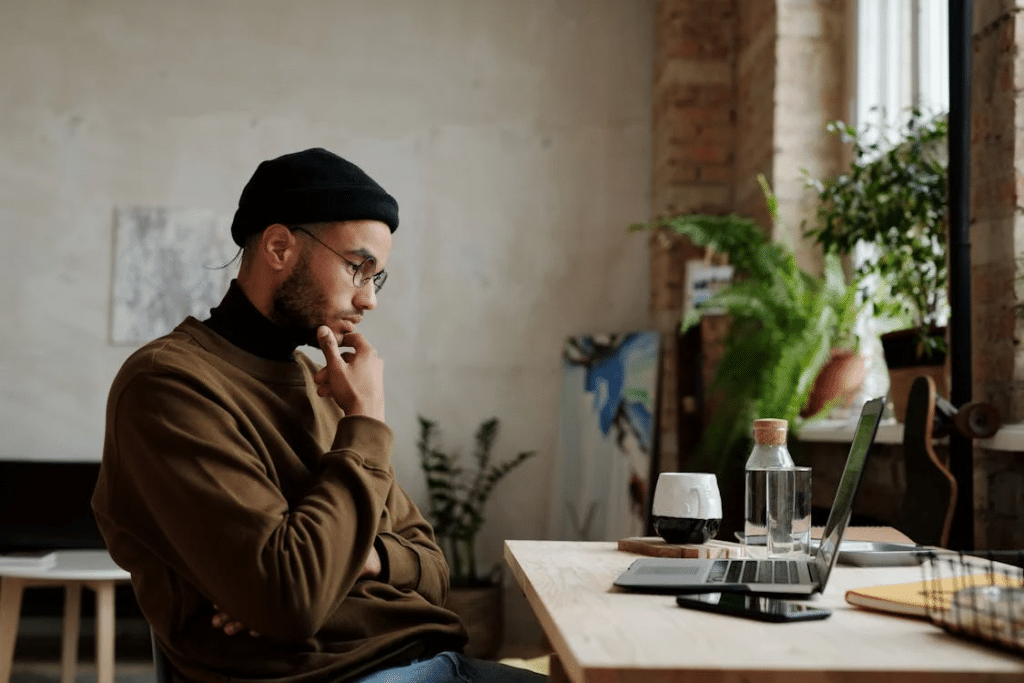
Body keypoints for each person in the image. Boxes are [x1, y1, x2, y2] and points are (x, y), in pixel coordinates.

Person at [92, 148, 547, 683]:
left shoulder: (324, 385)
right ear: (280, 246)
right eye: (359, 267)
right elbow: (290, 597)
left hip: (428, 660)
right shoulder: (168, 384)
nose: (369, 299)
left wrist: (356, 558)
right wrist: (366, 423)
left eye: (377, 278)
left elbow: (433, 567)